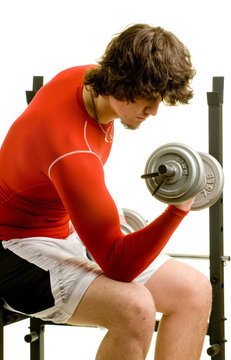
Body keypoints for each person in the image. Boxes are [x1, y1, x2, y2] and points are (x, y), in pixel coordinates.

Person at [0, 24, 212, 359]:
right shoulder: (71, 152)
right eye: (149, 98)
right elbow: (119, 267)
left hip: (63, 228)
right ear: (123, 84)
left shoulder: (87, 78)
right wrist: (178, 209)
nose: (154, 111)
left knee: (195, 291)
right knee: (135, 307)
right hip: (14, 250)